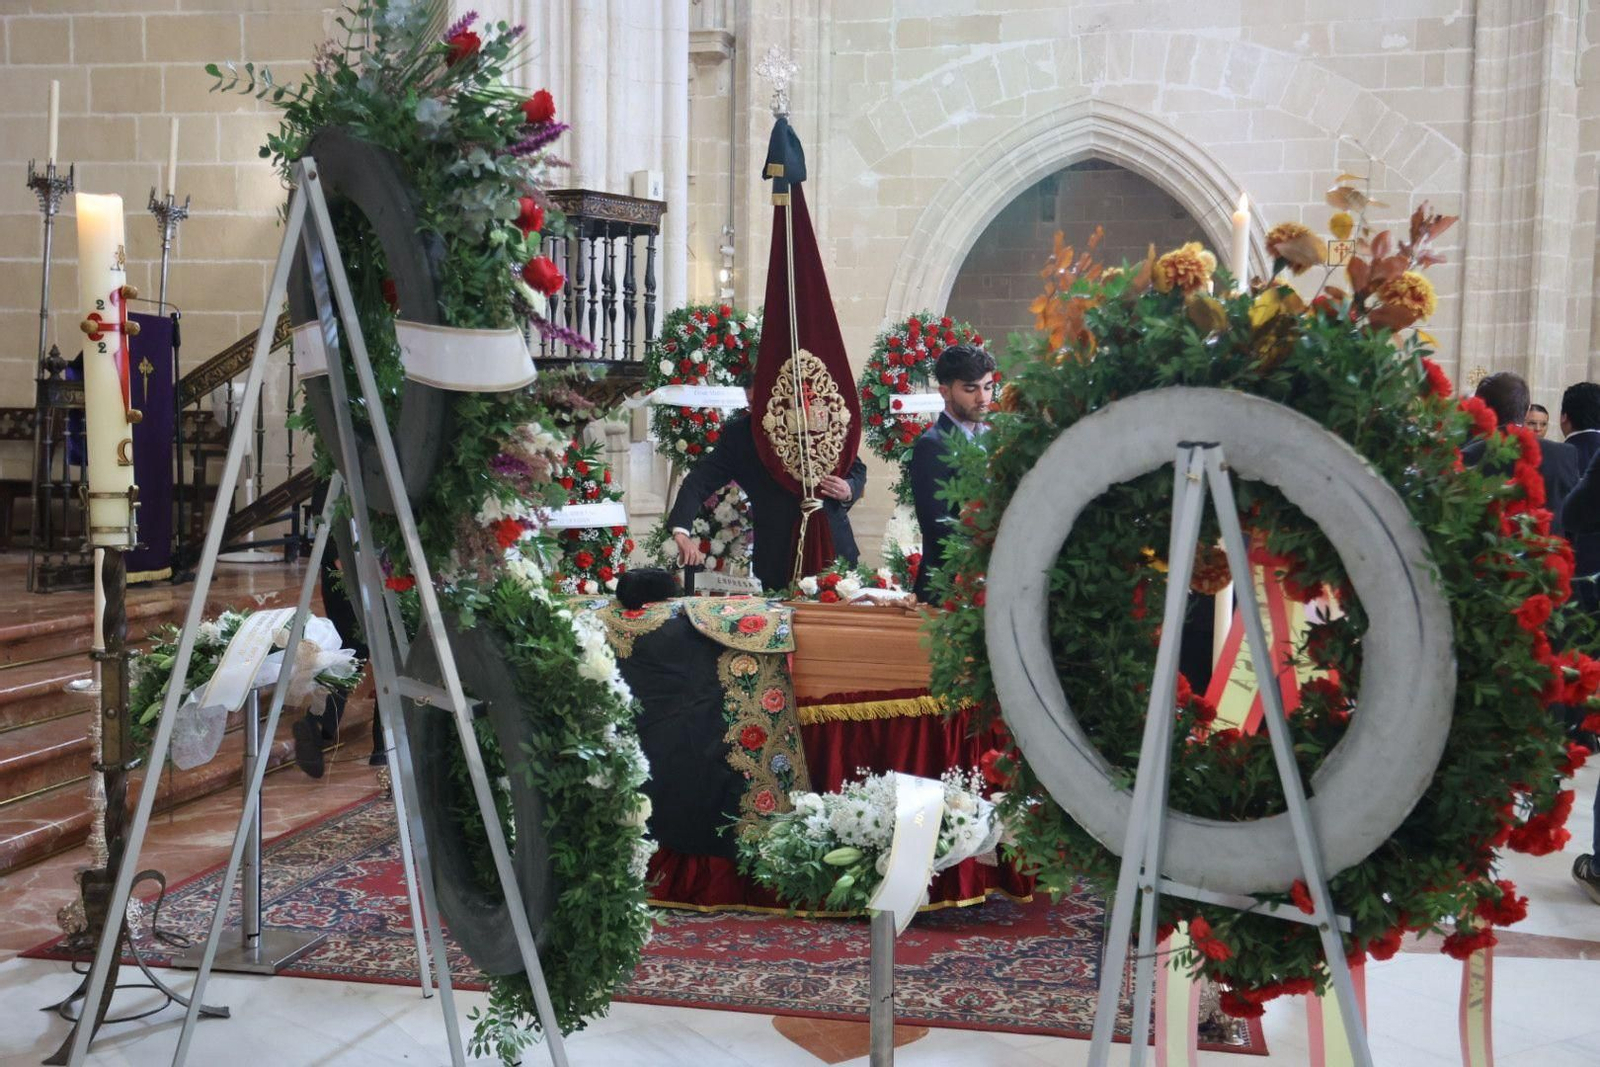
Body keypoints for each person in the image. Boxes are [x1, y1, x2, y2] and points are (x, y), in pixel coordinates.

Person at [668, 387, 867, 592]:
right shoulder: (741, 436)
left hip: (835, 548)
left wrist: (849, 489)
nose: (755, 408)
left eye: (760, 401)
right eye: (751, 403)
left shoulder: (816, 417)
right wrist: (681, 532)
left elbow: (857, 470)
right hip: (778, 557)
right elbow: (698, 482)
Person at [909, 344, 997, 603]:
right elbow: (938, 527)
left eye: (988, 387)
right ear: (945, 391)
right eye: (970, 389)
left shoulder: (993, 438)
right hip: (949, 588)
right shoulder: (933, 445)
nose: (983, 398)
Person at [1462, 372, 1579, 538]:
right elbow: (1574, 517)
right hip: (1548, 556)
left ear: (1482, 409)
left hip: (1488, 558)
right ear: (1526, 411)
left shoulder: (1469, 455)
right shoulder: (1564, 455)